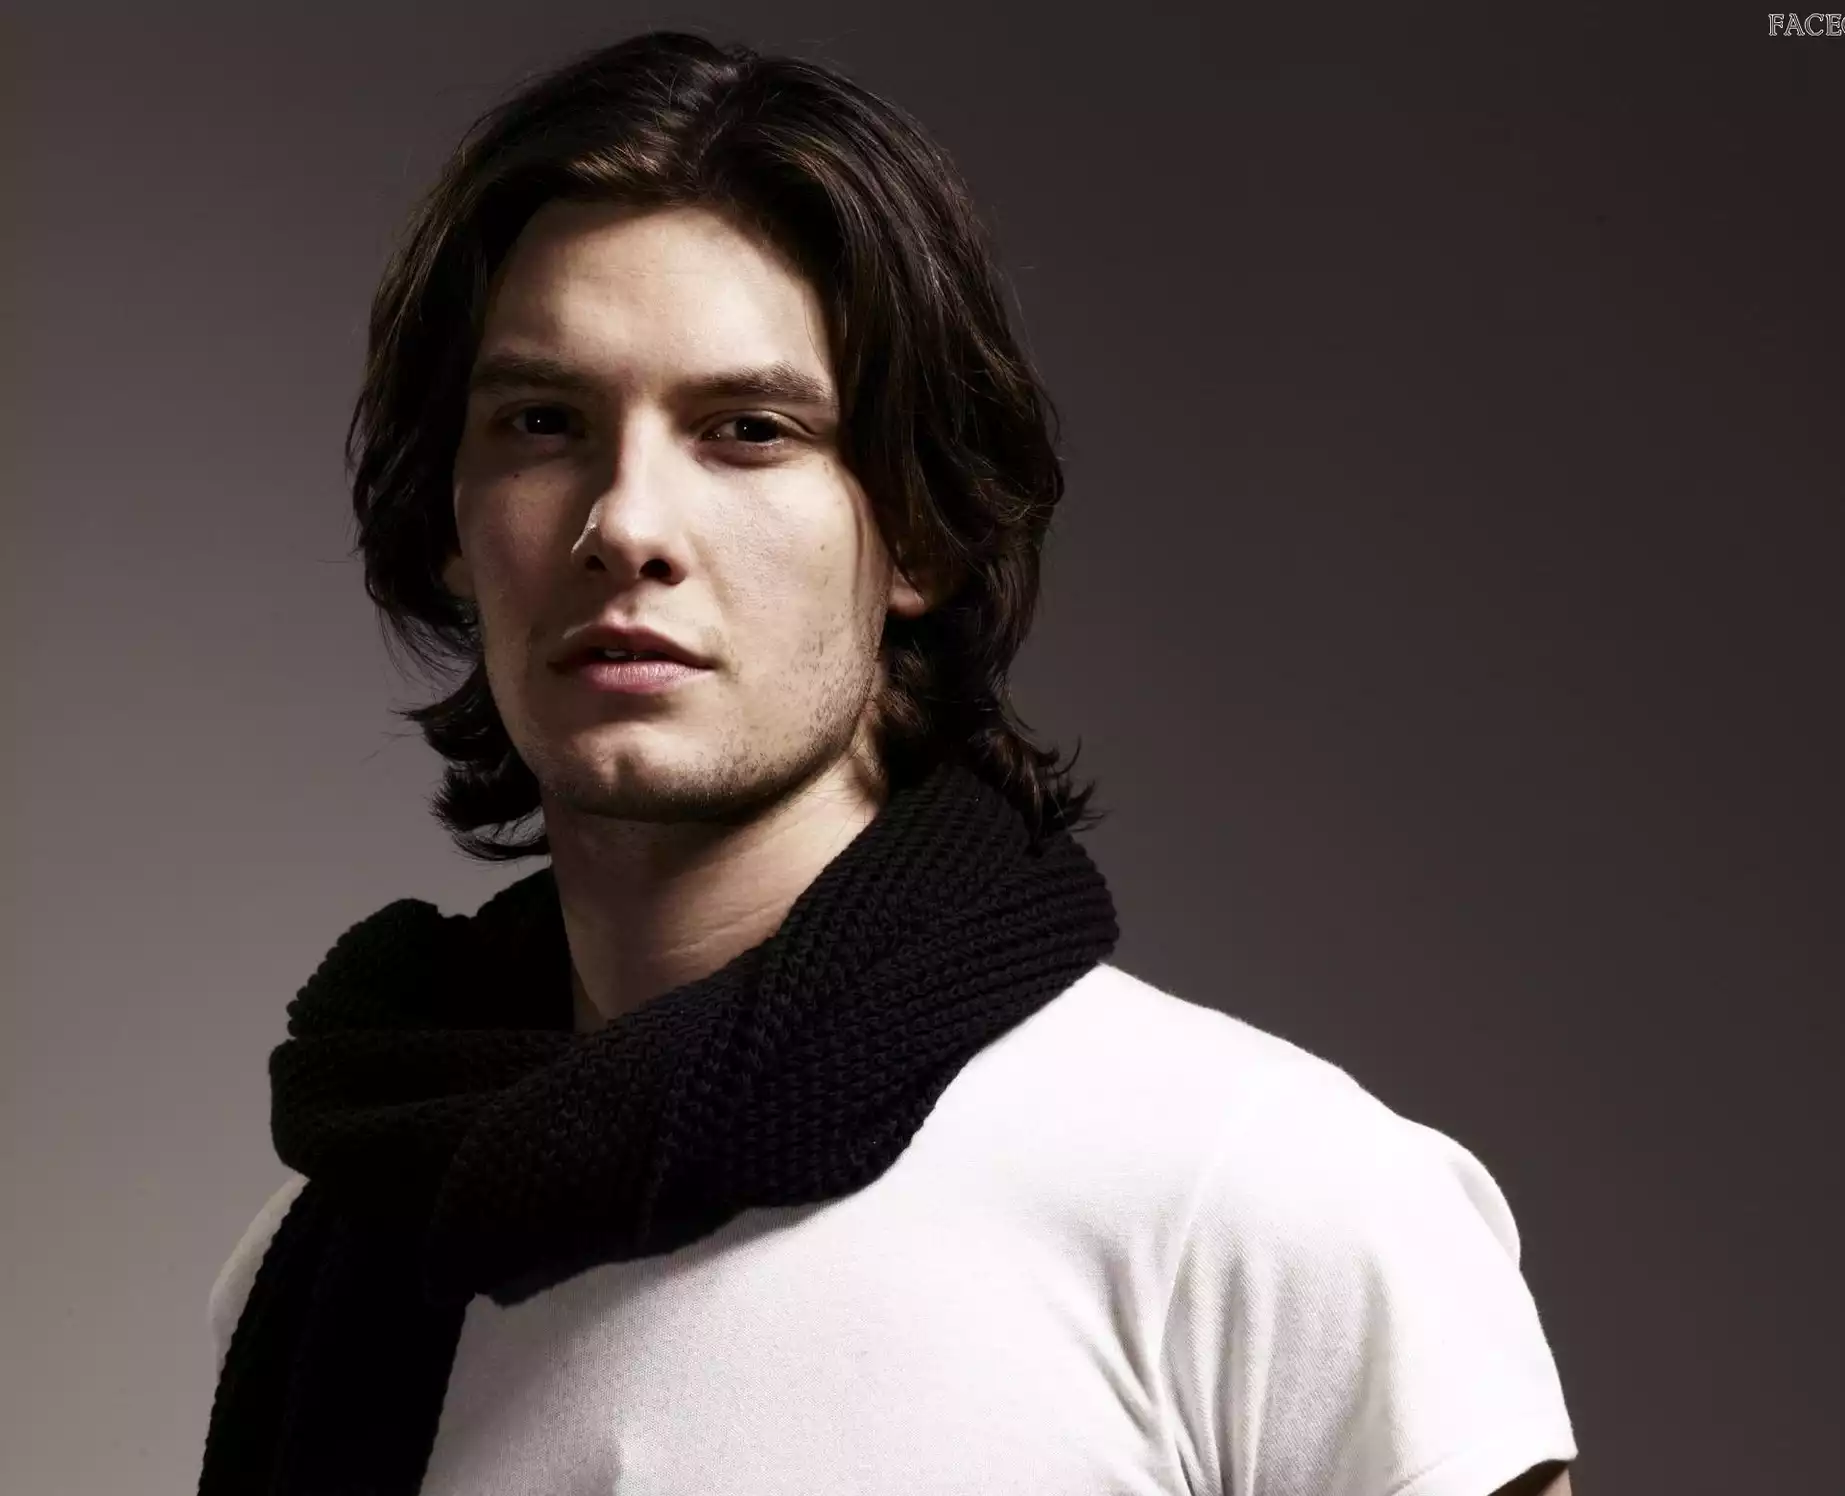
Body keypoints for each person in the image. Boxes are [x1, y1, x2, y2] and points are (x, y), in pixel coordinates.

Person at [197, 29, 1578, 1496]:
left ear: (916, 529)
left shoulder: (1257, 1196)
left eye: (748, 431)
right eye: (543, 424)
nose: (626, 524)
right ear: (448, 523)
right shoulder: (334, 1251)